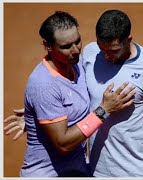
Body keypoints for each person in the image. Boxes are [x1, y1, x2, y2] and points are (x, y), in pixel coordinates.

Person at [4, 10, 143, 177]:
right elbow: (66, 96)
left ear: (128, 39)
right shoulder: (90, 54)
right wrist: (37, 116)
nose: (105, 56)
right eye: (101, 48)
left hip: (139, 172)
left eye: (113, 51)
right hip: (96, 172)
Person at [12, 11, 135, 177]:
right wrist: (104, 110)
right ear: (48, 46)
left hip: (78, 170)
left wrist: (36, 115)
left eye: (77, 41)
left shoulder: (77, 65)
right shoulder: (43, 85)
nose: (76, 50)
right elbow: (63, 144)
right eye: (66, 47)